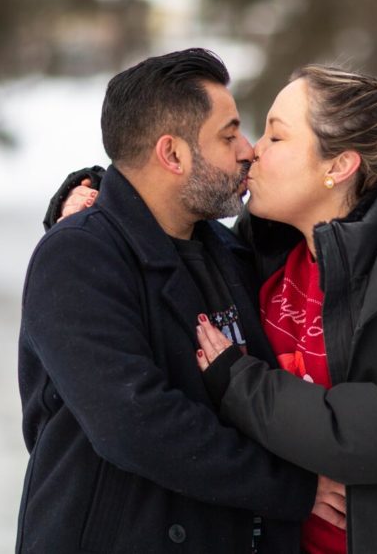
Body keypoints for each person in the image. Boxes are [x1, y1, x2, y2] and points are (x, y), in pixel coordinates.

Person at [56, 65, 377, 553]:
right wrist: (90, 200)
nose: (253, 149)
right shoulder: (264, 254)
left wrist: (241, 383)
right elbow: (161, 231)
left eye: (276, 136)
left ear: (337, 166)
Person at [17, 48, 328, 553]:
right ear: (173, 154)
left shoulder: (228, 252)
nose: (248, 150)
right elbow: (134, 422)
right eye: (229, 135)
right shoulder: (77, 255)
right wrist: (291, 488)